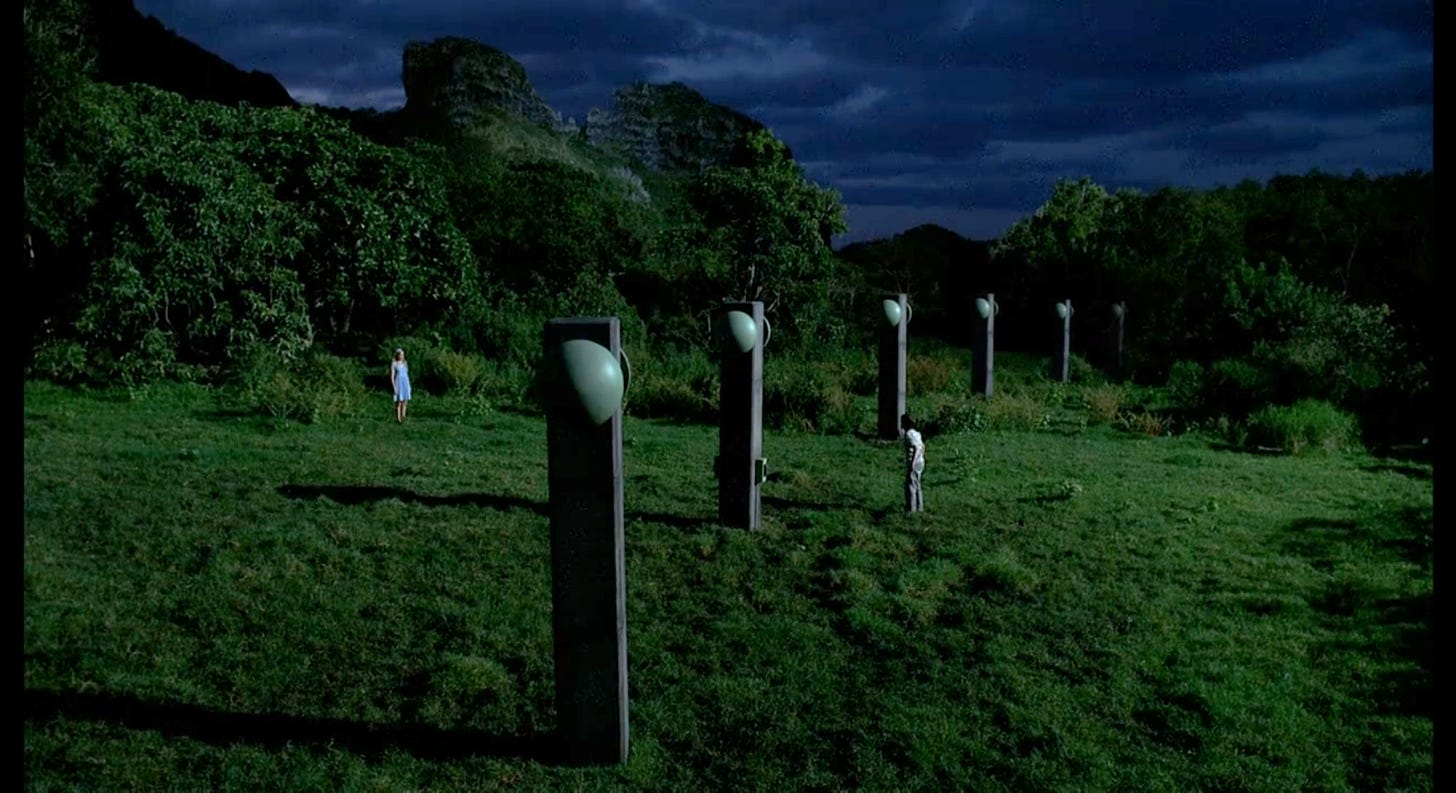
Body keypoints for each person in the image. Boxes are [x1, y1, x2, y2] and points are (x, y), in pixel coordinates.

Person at [902, 413, 925, 513]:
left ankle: (911, 509)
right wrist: (921, 456)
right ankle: (919, 507)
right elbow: (922, 446)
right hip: (920, 462)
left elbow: (915, 447)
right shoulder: (917, 433)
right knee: (917, 485)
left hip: (914, 462)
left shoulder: (909, 435)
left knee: (911, 486)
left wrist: (912, 463)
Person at [390, 348, 412, 423]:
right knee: (399, 402)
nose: (402, 356)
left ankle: (403, 416)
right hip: (398, 383)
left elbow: (406, 374)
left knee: (405, 401)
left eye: (403, 355)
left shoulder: (405, 363)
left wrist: (408, 386)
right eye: (400, 354)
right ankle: (398, 418)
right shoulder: (394, 364)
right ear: (397, 355)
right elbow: (392, 376)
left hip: (405, 383)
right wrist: (394, 387)